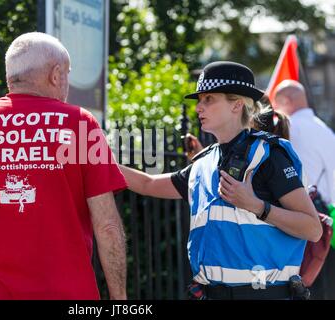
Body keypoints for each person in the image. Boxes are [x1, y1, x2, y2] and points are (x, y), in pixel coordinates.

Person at [0, 32, 128, 300]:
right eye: (67, 74)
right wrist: (120, 298)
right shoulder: (80, 124)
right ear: (56, 74)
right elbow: (107, 226)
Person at [120, 61, 322, 300]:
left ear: (237, 105)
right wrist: (95, 159)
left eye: (209, 100)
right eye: (199, 100)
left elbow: (312, 228)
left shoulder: (269, 156)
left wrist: (256, 205)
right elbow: (147, 184)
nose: (198, 108)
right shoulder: (204, 162)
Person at [273, 79, 335, 299]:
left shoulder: (292, 127)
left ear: (287, 101)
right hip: (329, 221)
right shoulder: (322, 127)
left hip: (311, 220)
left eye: (276, 104)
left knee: (306, 288)